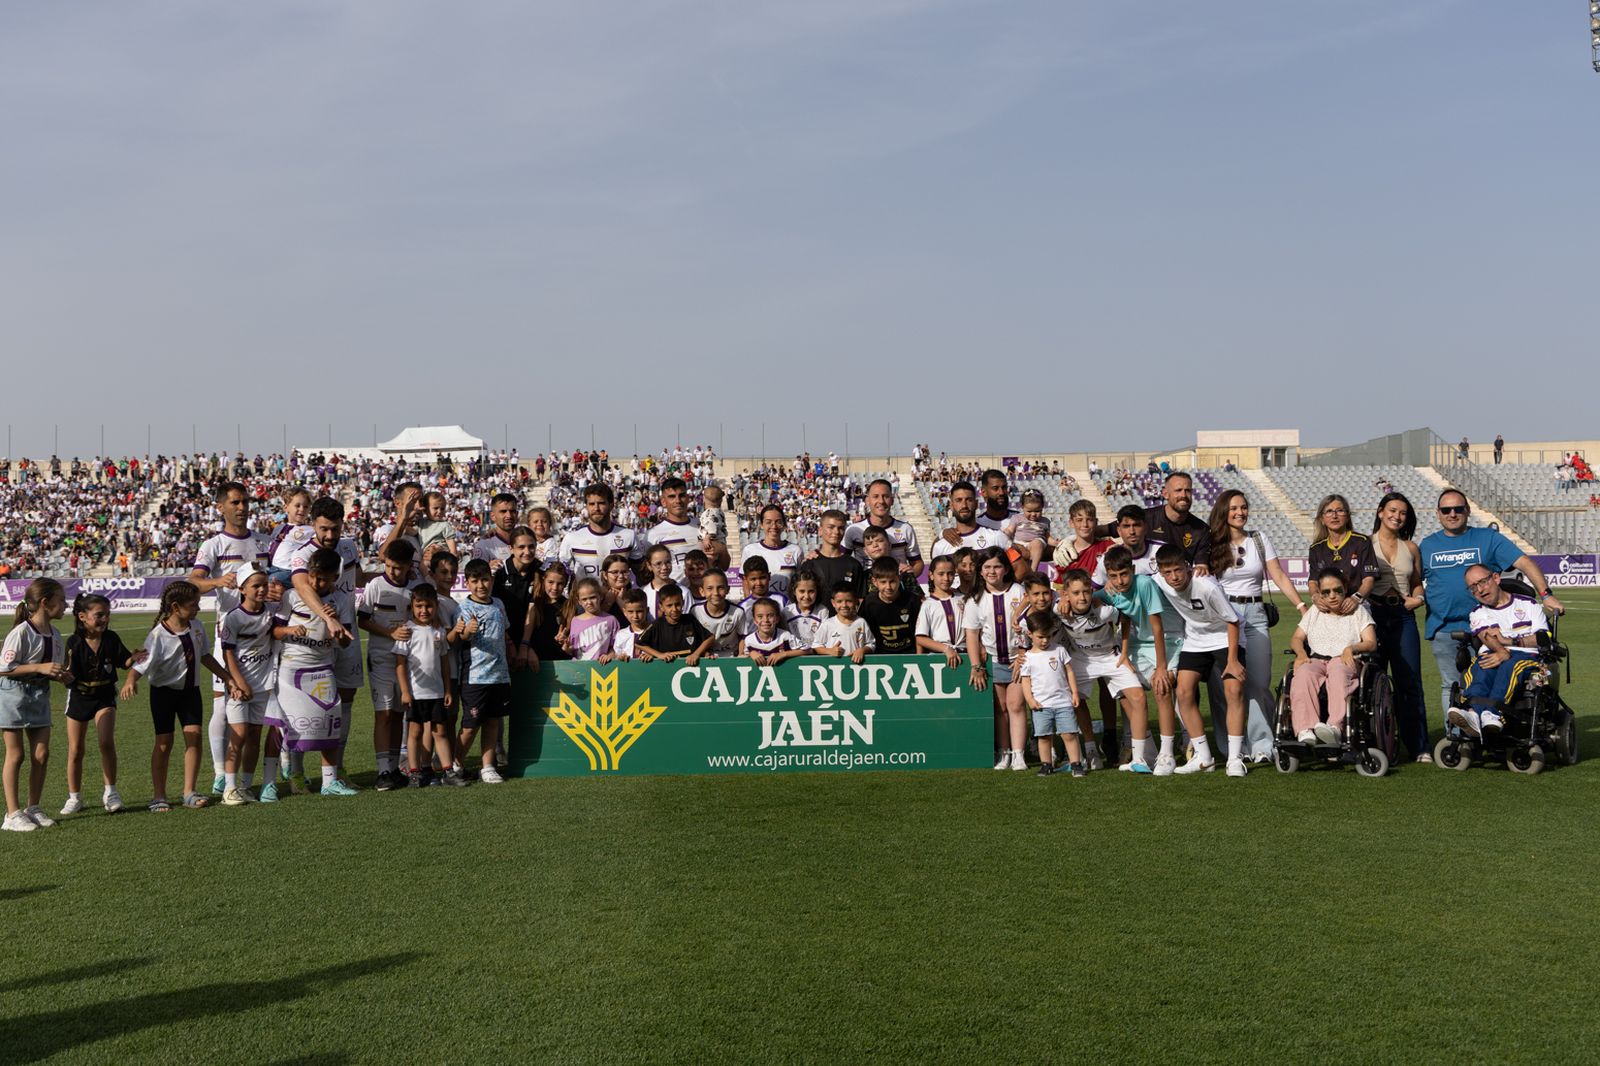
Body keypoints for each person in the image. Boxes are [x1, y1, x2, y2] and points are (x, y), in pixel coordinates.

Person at [1418, 489, 1561, 729]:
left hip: (1496, 629)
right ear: (1438, 514)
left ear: (1468, 510)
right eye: (1446, 510)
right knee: (1452, 685)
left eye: (1458, 509)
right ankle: (1459, 736)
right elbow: (1413, 581)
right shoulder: (1428, 545)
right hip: (1448, 629)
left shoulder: (1488, 538)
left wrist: (1546, 595)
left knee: (1500, 676)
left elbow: (1524, 562)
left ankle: (1498, 726)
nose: (1452, 514)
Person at [1207, 490, 1305, 762]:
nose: (1240, 512)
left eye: (1244, 507)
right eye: (1234, 508)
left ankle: (1262, 746)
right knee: (1223, 686)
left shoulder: (1259, 539)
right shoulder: (1210, 543)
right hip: (1223, 617)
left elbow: (1279, 576)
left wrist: (1302, 607)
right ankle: (1231, 748)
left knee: (1259, 683)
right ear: (1223, 511)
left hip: (1256, 613)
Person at [188, 480, 271, 797]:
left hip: (263, 635)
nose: (242, 507)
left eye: (245, 501)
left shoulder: (263, 542)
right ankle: (222, 773)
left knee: (262, 709)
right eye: (235, 502)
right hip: (229, 635)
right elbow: (193, 581)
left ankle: (264, 775)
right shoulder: (213, 546)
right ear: (221, 506)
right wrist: (218, 580)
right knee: (223, 706)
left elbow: (274, 576)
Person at [122, 581, 234, 811]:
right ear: (175, 607)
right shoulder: (158, 635)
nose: (198, 609)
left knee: (194, 738)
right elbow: (141, 664)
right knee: (164, 743)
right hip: (163, 694)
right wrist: (130, 681)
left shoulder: (197, 627)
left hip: (190, 693)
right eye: (193, 605)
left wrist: (227, 677)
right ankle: (159, 796)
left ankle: (189, 792)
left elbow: (205, 656)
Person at [268, 548, 357, 797]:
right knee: (296, 725)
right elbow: (274, 631)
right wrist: (289, 631)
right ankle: (296, 776)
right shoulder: (292, 596)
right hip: (292, 668)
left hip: (323, 668)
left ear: (334, 578)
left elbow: (346, 642)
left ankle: (330, 782)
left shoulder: (340, 601)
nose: (318, 583)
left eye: (324, 579)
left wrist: (338, 627)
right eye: (314, 577)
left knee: (329, 723)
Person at [1152, 545, 1244, 776]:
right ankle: (1204, 757)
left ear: (1187, 566)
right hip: (1195, 640)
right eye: (1167, 573)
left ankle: (1234, 759)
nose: (1173, 577)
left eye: (1177, 570)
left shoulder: (1207, 586)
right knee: (1183, 692)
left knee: (1233, 691)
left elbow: (1233, 621)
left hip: (1226, 637)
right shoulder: (1160, 581)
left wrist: (1233, 660)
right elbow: (1135, 578)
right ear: (1161, 573)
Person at [1057, 570, 1151, 773]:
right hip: (1081, 659)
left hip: (1111, 657)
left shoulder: (1105, 611)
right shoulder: (1058, 610)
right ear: (1065, 594)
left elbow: (1125, 621)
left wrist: (1124, 653)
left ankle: (1140, 757)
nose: (1082, 597)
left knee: (1139, 698)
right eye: (1075, 593)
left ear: (1092, 592)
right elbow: (1033, 601)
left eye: (1086, 592)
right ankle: (1091, 753)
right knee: (1072, 699)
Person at [1447, 565, 1550, 738]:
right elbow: (1486, 636)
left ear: (1496, 578)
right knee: (1480, 667)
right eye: (1473, 587)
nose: (1479, 590)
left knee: (1510, 666)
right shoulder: (1477, 613)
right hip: (1492, 654)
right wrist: (1501, 650)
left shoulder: (1529, 605)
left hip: (1528, 656)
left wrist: (1508, 641)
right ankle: (1473, 713)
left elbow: (1542, 638)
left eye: (1482, 582)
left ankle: (1493, 713)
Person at [1, 578, 70, 832]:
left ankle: (34, 807)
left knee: (42, 754)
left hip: (39, 695)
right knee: (16, 755)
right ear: (45, 602)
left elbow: (52, 668)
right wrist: (40, 667)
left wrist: (62, 675)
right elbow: (4, 668)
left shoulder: (55, 634)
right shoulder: (21, 632)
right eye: (61, 600)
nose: (65, 605)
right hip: (14, 696)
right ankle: (12, 814)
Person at [61, 593, 140, 816]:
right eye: (99, 615)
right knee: (76, 750)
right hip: (79, 697)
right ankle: (74, 797)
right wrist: (63, 675)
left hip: (104, 696)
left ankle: (111, 793)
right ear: (82, 617)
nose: (105, 619)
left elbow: (122, 662)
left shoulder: (111, 638)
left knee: (106, 743)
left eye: (107, 614)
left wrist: (134, 657)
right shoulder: (74, 642)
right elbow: (68, 673)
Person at [1368, 493, 1430, 763]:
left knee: (1410, 682)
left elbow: (1417, 582)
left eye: (1403, 512)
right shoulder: (1364, 544)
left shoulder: (1411, 548)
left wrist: (1418, 599)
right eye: (1392, 510)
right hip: (1372, 615)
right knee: (1371, 683)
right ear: (1380, 512)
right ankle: (1375, 743)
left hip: (1403, 617)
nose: (1397, 516)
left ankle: (1418, 746)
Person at [1288, 570, 1377, 745]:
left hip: (1344, 659)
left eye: (1338, 590)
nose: (1333, 596)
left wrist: (1351, 648)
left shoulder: (1357, 611)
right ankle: (1306, 729)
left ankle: (1335, 727)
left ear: (1345, 588)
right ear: (1320, 594)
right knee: (1303, 672)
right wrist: (1301, 654)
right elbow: (1297, 638)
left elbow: (1371, 642)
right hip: (1316, 659)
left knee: (1337, 670)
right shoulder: (1314, 612)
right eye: (1326, 592)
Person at [357, 540, 418, 792]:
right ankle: (382, 770)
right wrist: (388, 632)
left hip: (408, 661)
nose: (393, 572)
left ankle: (393, 768)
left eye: (398, 568)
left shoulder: (416, 586)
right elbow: (362, 619)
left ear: (408, 566)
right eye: (390, 567)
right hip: (381, 657)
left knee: (399, 714)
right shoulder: (375, 585)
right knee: (383, 713)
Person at [963, 547, 1027, 770]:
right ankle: (1004, 752)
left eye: (997, 566)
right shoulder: (975, 599)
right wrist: (976, 666)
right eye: (987, 567)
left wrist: (1024, 654)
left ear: (1006, 569)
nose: (992, 571)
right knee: (1000, 708)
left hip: (1019, 659)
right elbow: (971, 634)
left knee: (1016, 704)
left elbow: (1031, 626)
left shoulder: (1019, 592)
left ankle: (1019, 753)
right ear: (980, 571)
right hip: (994, 660)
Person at [217, 567, 277, 805]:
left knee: (254, 736)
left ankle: (246, 786)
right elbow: (228, 653)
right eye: (256, 586)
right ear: (242, 589)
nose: (262, 589)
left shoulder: (271, 612)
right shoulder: (233, 617)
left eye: (264, 584)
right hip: (239, 688)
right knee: (239, 735)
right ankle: (229, 789)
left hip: (263, 686)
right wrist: (238, 682)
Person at [394, 585, 464, 787]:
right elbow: (400, 664)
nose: (424, 610)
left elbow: (443, 662)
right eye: (419, 606)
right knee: (414, 733)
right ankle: (415, 773)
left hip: (437, 692)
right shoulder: (407, 630)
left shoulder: (439, 631)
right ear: (412, 607)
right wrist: (405, 691)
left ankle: (448, 772)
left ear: (436, 606)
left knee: (440, 732)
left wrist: (448, 690)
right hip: (416, 693)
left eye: (429, 606)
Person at [454, 558, 513, 784]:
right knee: (470, 725)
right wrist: (467, 631)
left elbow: (505, 634)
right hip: (475, 675)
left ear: (492, 580)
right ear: (467, 583)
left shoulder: (498, 603)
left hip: (499, 675)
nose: (481, 585)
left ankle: (487, 766)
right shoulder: (464, 607)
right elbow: (462, 637)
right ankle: (455, 763)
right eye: (475, 581)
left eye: (485, 580)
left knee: (493, 722)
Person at [1018, 612, 1085, 778]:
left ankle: (1076, 764)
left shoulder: (1060, 650)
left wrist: (1074, 693)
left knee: (1069, 734)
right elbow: (1025, 681)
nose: (1045, 641)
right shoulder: (1027, 658)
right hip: (1041, 705)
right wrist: (1030, 700)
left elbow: (1069, 671)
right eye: (1040, 637)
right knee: (1044, 736)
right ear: (1030, 634)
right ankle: (1046, 765)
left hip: (1063, 702)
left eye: (1048, 636)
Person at [559, 483, 644, 583]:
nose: (596, 508)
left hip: (620, 598)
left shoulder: (629, 536)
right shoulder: (572, 538)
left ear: (611, 505)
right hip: (587, 598)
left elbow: (641, 574)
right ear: (586, 506)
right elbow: (559, 574)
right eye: (591, 504)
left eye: (601, 503)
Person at [1306, 494, 1377, 612]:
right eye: (1329, 511)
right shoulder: (1316, 548)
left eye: (1340, 511)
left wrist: (1356, 598)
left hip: (1357, 606)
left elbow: (1369, 580)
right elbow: (1313, 581)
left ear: (1348, 516)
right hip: (1328, 608)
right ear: (1322, 519)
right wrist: (1315, 597)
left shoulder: (1362, 542)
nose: (1334, 516)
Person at [843, 479, 923, 578]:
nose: (881, 501)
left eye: (886, 496)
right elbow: (839, 559)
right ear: (867, 500)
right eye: (876, 496)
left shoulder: (905, 529)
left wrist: (909, 576)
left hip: (896, 589)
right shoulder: (853, 530)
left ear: (892, 500)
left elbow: (917, 563)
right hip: (864, 590)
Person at [930, 482, 1013, 559]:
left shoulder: (996, 537)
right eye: (958, 500)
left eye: (969, 500)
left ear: (976, 504)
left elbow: (1020, 569)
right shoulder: (940, 546)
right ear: (951, 505)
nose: (964, 505)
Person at [797, 510, 865, 601]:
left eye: (840, 528)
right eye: (831, 527)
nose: (836, 532)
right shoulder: (809, 564)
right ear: (820, 531)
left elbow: (859, 599)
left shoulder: (853, 564)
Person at [740, 505, 806, 596]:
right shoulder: (750, 550)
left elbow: (801, 583)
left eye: (778, 522)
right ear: (762, 525)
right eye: (768, 522)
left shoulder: (795, 550)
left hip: (787, 609)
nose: (774, 526)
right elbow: (745, 583)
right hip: (760, 609)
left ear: (784, 524)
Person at [636, 585, 713, 663]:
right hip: (666, 669)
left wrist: (696, 654)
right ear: (661, 606)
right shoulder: (657, 624)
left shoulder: (690, 620)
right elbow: (639, 643)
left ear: (683, 602)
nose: (674, 609)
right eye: (669, 605)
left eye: (677, 604)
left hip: (690, 667)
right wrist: (658, 655)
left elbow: (710, 637)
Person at [859, 557, 921, 654]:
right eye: (883, 582)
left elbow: (920, 633)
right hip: (880, 656)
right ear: (875, 582)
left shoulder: (912, 600)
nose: (888, 587)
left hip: (909, 654)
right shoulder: (869, 603)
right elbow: (864, 634)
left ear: (899, 578)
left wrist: (919, 657)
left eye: (892, 581)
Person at [915, 556, 967, 667]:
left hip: (965, 655)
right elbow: (920, 638)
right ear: (931, 575)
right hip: (939, 657)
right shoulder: (927, 604)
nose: (946, 578)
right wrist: (945, 649)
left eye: (950, 573)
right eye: (941, 574)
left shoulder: (964, 599)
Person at [646, 476, 700, 581]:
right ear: (663, 501)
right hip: (672, 595)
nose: (678, 500)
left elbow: (724, 563)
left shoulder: (702, 525)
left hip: (702, 594)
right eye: (671, 496)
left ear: (688, 498)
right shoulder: (653, 534)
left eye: (682, 495)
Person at [813, 583, 874, 664]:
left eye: (849, 601)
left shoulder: (861, 622)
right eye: (839, 601)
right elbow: (816, 646)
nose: (844, 605)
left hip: (856, 668)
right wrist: (830, 651)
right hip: (833, 668)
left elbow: (871, 644)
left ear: (856, 601)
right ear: (833, 603)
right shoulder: (828, 624)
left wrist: (862, 650)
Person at [691, 570, 748, 657]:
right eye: (710, 588)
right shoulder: (695, 611)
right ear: (702, 591)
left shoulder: (738, 612)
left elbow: (742, 636)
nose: (715, 593)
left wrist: (741, 654)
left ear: (727, 589)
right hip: (706, 658)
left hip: (731, 658)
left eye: (720, 588)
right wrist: (704, 653)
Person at [564, 578, 621, 661]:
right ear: (579, 601)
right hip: (579, 668)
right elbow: (573, 651)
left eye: (592, 597)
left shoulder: (611, 620)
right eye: (584, 599)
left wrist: (610, 655)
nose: (589, 602)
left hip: (601, 669)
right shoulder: (575, 621)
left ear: (601, 596)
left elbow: (617, 647)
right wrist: (567, 649)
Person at [743, 599, 809, 666]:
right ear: (754, 620)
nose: (765, 620)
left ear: (777, 619)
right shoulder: (749, 640)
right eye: (760, 616)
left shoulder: (785, 636)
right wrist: (751, 653)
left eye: (770, 615)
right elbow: (742, 658)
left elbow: (808, 650)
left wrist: (784, 654)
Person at [470, 492, 521, 565]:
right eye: (503, 511)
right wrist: (488, 569)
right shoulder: (485, 545)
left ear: (517, 514)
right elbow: (477, 574)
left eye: (512, 511)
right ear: (492, 516)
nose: (508, 516)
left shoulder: (527, 541)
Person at [611, 589, 651, 661]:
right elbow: (617, 657)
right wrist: (620, 658)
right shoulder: (621, 635)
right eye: (630, 612)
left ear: (647, 610)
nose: (635, 616)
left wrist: (652, 655)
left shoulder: (656, 632)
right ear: (624, 612)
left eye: (639, 611)